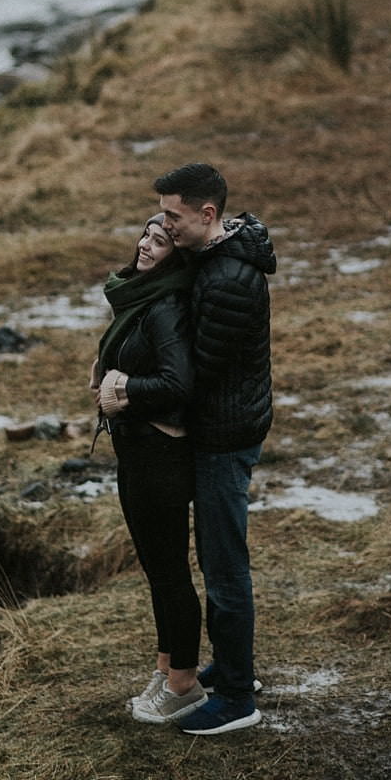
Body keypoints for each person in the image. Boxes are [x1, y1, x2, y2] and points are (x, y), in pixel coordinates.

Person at [153, 162, 276, 735]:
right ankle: (232, 667)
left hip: (224, 438)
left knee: (224, 569)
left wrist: (138, 392)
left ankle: (236, 699)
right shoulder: (213, 258)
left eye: (173, 216)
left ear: (207, 214)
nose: (164, 225)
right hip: (224, 428)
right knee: (218, 560)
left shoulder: (228, 280)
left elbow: (197, 371)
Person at [91, 213, 207, 726]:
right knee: (158, 571)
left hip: (159, 456)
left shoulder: (165, 306)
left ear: (174, 257)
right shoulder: (141, 298)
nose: (145, 245)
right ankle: (166, 671)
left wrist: (122, 390)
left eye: (159, 242)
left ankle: (184, 685)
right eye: (145, 235)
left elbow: (178, 384)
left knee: (170, 573)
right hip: (137, 453)